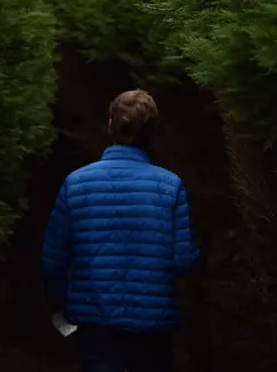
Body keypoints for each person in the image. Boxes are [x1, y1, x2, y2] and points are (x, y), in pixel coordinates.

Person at [41, 89, 201, 372]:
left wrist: (61, 305)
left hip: (95, 321)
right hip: (153, 324)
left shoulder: (76, 184)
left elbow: (53, 260)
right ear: (151, 133)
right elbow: (184, 262)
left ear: (111, 125)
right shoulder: (170, 186)